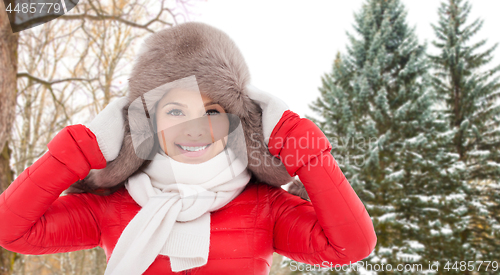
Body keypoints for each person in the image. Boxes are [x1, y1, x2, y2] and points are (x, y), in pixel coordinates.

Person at [0, 22, 376, 275]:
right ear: (148, 120)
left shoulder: (266, 206)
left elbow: (351, 246)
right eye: (176, 110)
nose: (195, 130)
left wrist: (301, 144)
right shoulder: (111, 206)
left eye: (212, 111)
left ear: (234, 121)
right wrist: (81, 148)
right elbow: (11, 230)